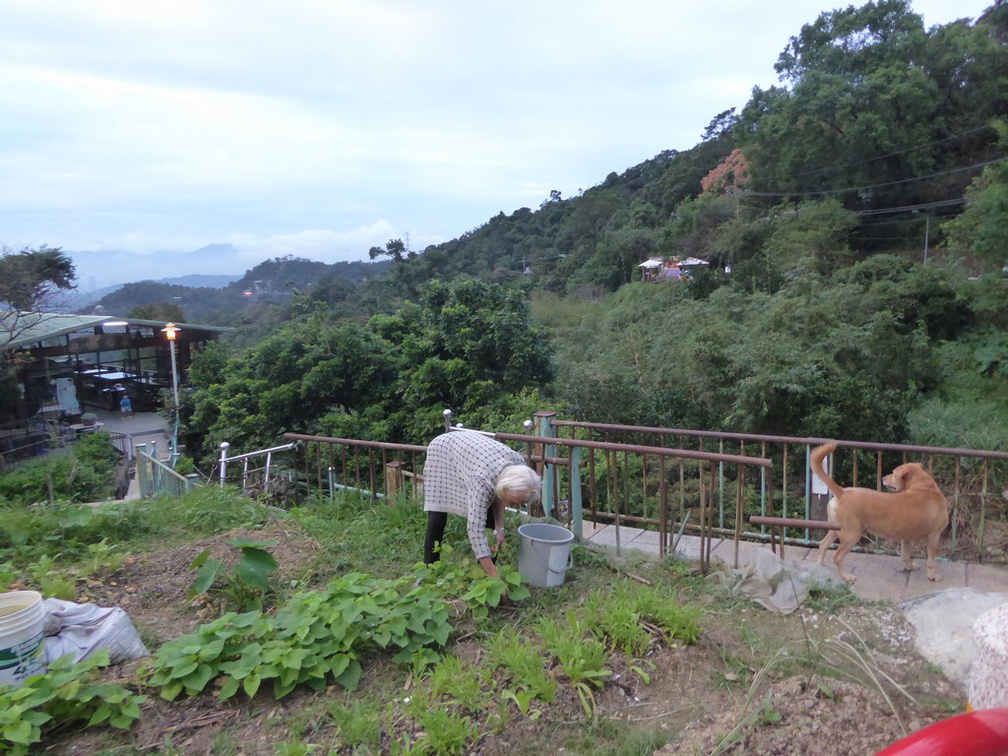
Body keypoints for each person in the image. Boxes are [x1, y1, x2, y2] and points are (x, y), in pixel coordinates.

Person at [423, 430, 542, 578]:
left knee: (490, 520)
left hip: (475, 454)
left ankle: (486, 568)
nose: (515, 507)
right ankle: (429, 568)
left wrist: (499, 528)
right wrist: (495, 577)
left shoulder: (519, 466)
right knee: (437, 512)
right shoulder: (482, 479)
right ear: (504, 487)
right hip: (443, 450)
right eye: (513, 502)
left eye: (519, 504)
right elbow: (475, 528)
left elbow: (498, 497)